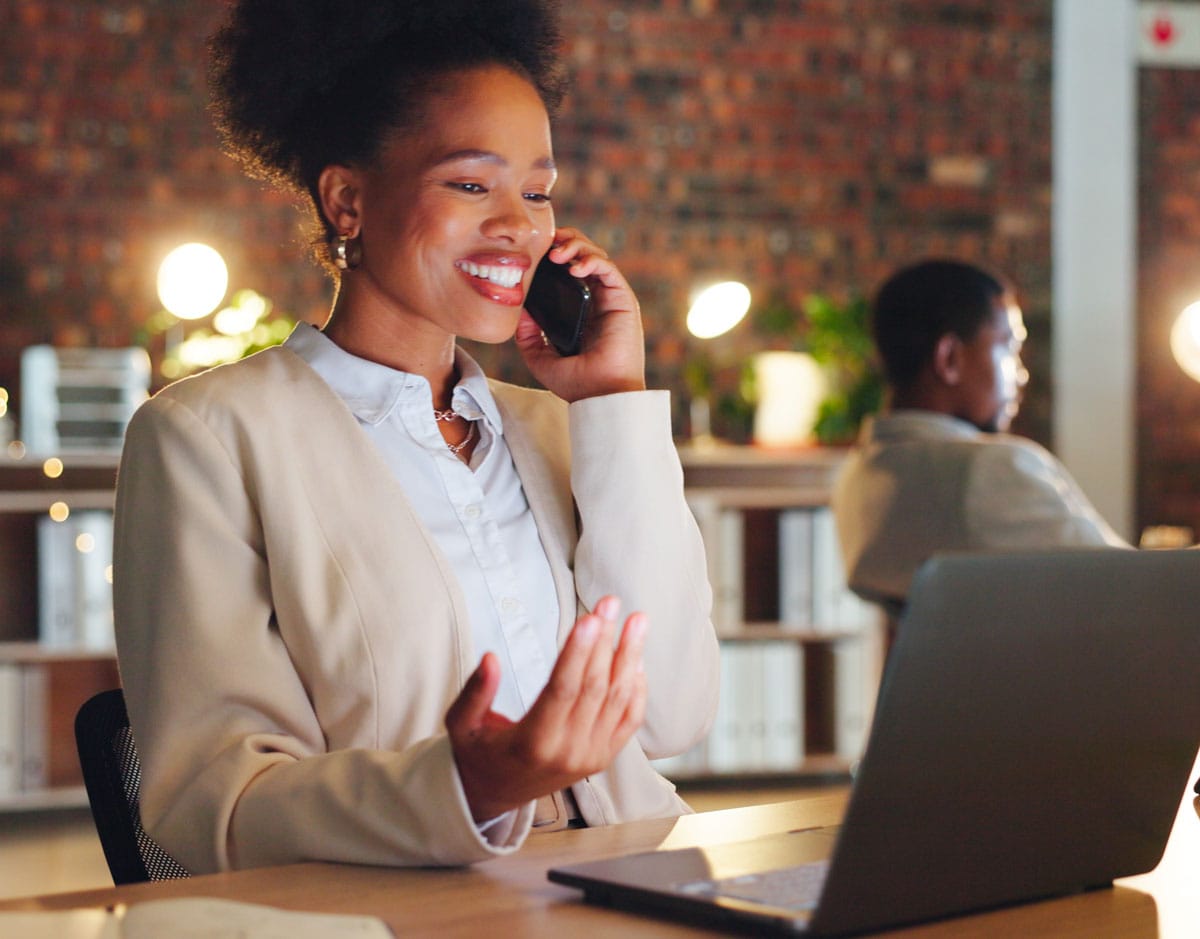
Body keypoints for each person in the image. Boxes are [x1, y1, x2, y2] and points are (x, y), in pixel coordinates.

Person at [111, 0, 719, 875]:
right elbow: (213, 802)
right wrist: (467, 786)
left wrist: (613, 402)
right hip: (406, 907)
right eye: (472, 184)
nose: (519, 224)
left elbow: (673, 714)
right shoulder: (208, 438)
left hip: (625, 878)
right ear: (348, 199)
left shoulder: (557, 427)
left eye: (538, 191)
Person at [831, 259, 1128, 612]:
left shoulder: (856, 475)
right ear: (949, 359)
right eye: (1009, 348)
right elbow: (1130, 586)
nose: (1021, 376)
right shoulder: (989, 469)